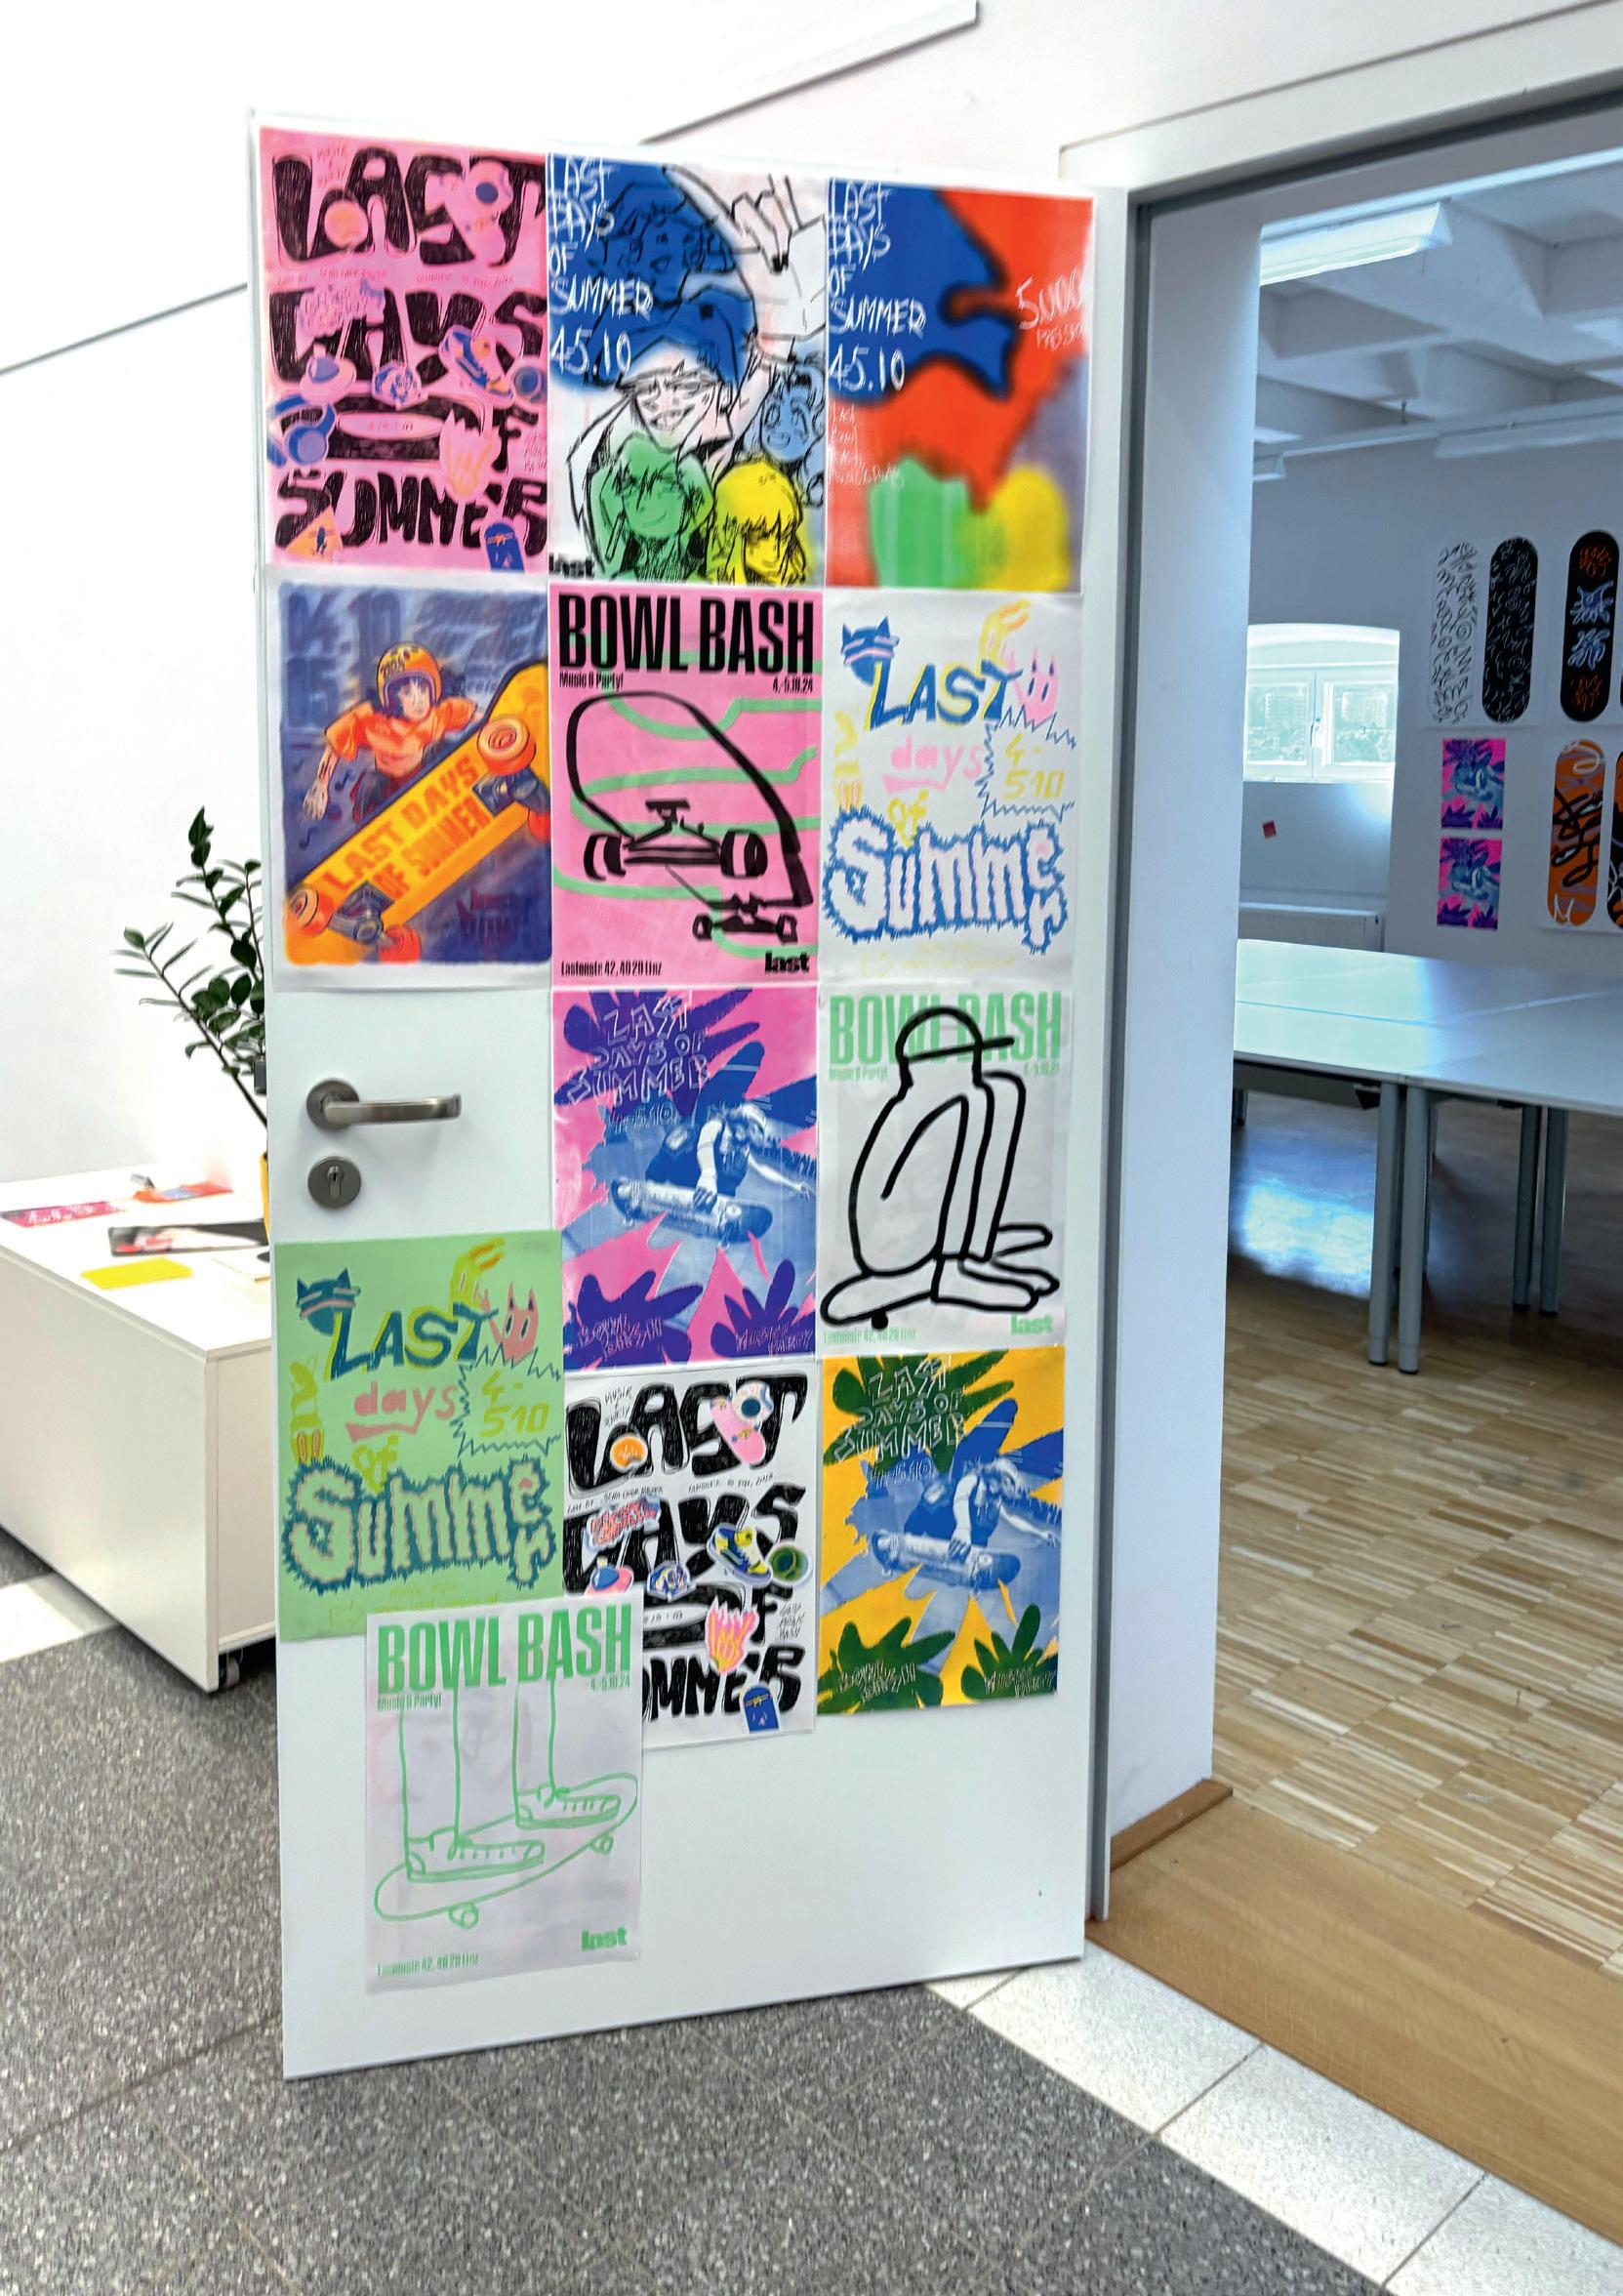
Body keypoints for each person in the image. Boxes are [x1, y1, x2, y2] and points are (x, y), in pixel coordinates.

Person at [303, 644, 475, 824]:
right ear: (393, 697)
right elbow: (336, 743)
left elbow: (484, 716)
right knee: (371, 785)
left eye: (423, 689)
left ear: (433, 688)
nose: (418, 700)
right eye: (407, 692)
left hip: (425, 782)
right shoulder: (371, 718)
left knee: (442, 749)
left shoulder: (441, 711)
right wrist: (321, 784)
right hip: (388, 789)